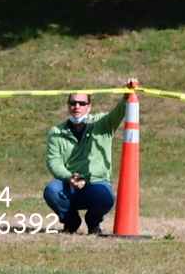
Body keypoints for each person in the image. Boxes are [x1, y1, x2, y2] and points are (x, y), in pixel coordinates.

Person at [43, 81, 138, 235]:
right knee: (52, 190)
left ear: (89, 107)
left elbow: (120, 111)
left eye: (82, 103)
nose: (77, 107)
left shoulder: (103, 124)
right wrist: (69, 177)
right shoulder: (56, 131)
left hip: (96, 183)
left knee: (105, 197)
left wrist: (127, 94)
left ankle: (93, 222)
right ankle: (71, 221)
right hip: (69, 183)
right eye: (73, 103)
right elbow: (53, 161)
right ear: (68, 105)